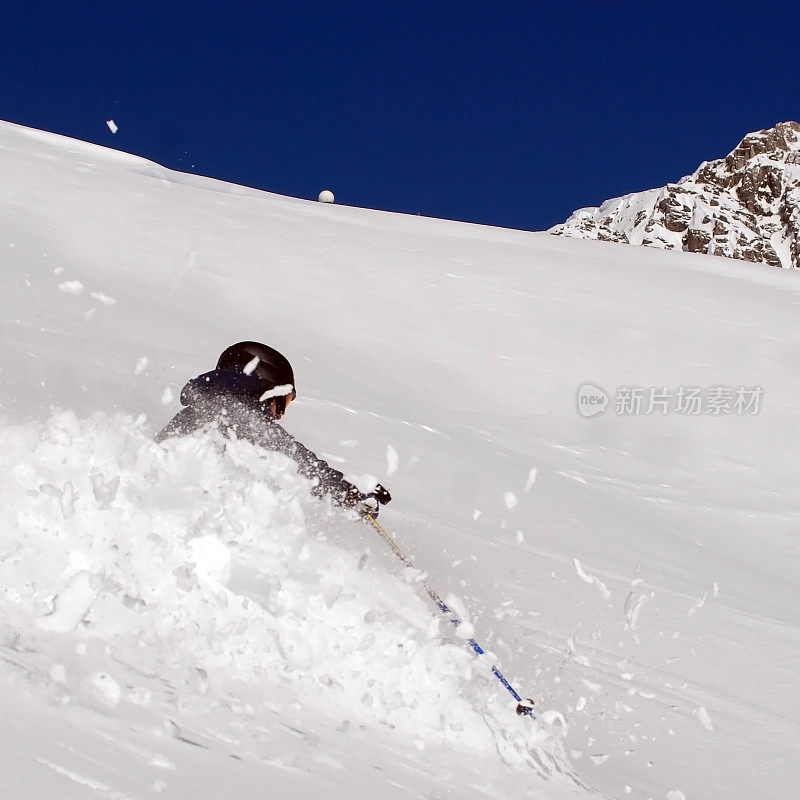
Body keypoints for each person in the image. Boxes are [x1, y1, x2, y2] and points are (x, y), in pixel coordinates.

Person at [156, 341, 391, 518]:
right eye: (285, 401)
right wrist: (350, 495)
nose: (279, 415)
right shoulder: (237, 413)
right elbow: (298, 461)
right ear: (268, 385)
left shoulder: (213, 411)